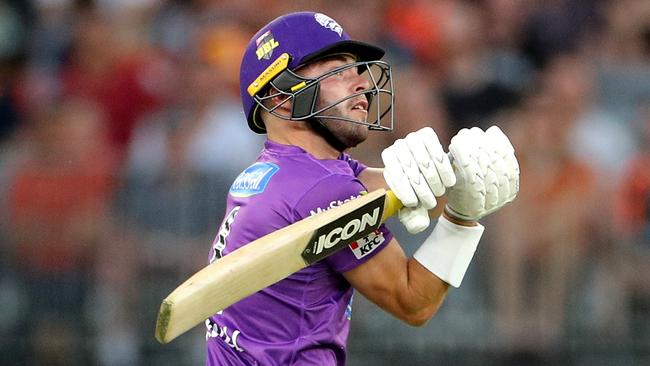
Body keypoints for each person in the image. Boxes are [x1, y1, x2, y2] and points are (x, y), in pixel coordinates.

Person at [205, 11, 519, 365]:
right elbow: (413, 301)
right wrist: (461, 219)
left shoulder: (274, 174)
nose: (362, 84)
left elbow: (381, 190)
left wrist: (451, 169)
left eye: (356, 70)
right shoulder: (321, 189)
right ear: (280, 98)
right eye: (337, 71)